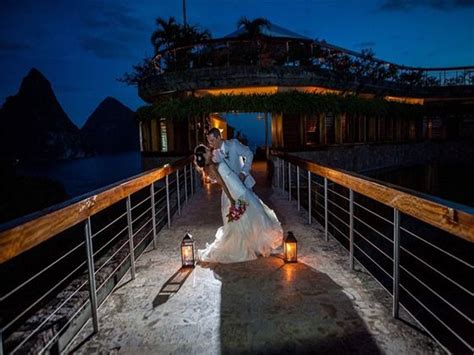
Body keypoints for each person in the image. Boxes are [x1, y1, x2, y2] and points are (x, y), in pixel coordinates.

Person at [194, 144, 283, 263]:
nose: (209, 150)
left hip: (240, 188)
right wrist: (232, 200)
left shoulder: (213, 162)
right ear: (204, 155)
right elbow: (224, 185)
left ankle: (254, 243)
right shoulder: (211, 167)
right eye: (206, 150)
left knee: (255, 214)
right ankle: (249, 245)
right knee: (248, 218)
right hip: (235, 193)